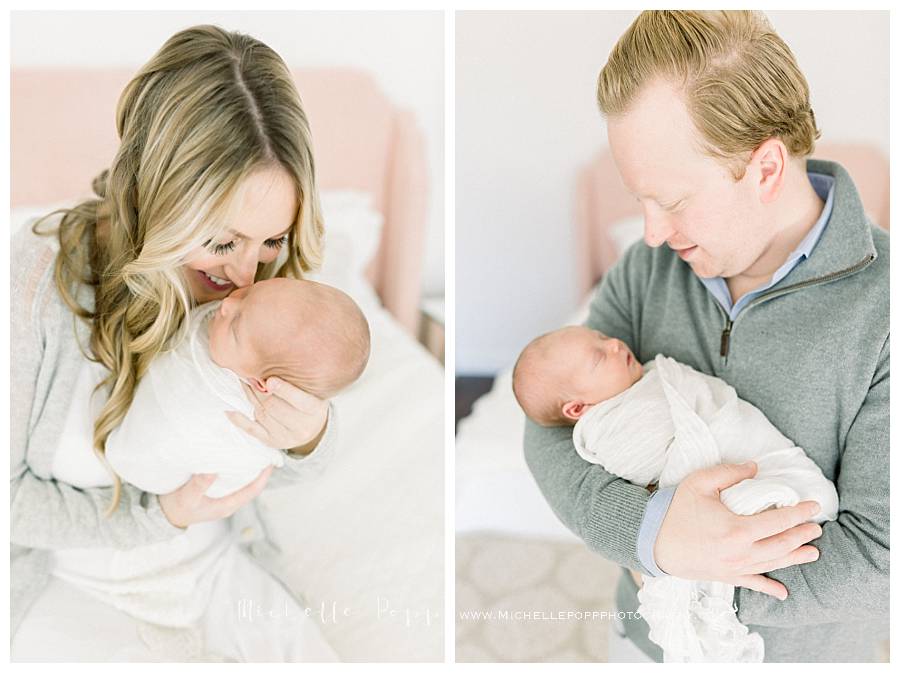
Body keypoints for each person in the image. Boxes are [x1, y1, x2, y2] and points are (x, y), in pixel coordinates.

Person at [523, 11, 888, 663]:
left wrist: (692, 578)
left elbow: (881, 553)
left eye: (673, 200)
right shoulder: (646, 268)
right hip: (646, 642)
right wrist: (653, 535)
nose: (653, 232)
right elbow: (548, 422)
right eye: (640, 200)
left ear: (766, 168)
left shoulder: (884, 311)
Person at [11, 25, 343, 661]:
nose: (246, 277)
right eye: (222, 242)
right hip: (73, 582)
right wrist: (160, 517)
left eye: (271, 240)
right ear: (158, 199)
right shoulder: (32, 286)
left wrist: (304, 432)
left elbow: (302, 470)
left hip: (215, 567)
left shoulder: (264, 280)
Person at [513, 325, 838, 661]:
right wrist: (657, 538)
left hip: (815, 652)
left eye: (602, 338)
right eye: (599, 354)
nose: (612, 343)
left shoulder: (651, 378)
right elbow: (649, 470)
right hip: (641, 633)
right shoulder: (606, 428)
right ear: (578, 410)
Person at [107, 277, 371, 500]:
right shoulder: (269, 316)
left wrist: (311, 437)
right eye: (249, 293)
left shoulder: (245, 430)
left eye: (234, 327)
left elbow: (236, 483)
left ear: (261, 385)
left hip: (154, 478)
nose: (227, 304)